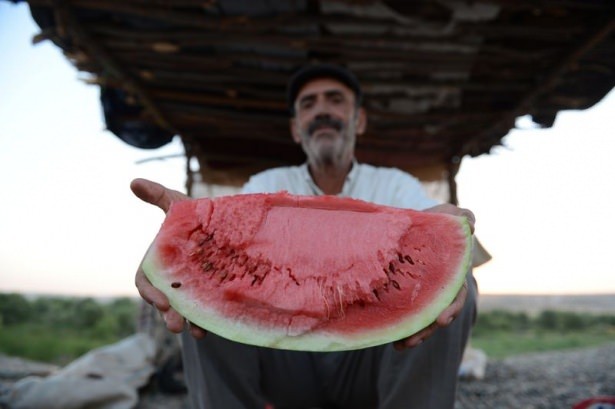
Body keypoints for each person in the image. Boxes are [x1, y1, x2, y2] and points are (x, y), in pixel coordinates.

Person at [132, 63, 478, 409]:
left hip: (369, 362)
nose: (322, 110)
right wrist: (179, 242)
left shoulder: (395, 185)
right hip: (281, 359)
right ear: (296, 129)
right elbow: (210, 241)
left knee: (451, 284)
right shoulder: (265, 185)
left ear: (359, 120)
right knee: (194, 291)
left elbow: (437, 238)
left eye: (335, 100)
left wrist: (450, 251)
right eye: (308, 104)